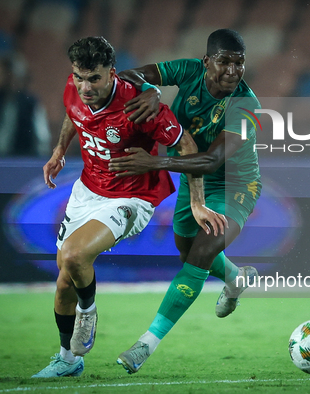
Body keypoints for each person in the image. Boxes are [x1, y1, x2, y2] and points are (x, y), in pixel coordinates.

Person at [32, 36, 226, 378]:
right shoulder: (73, 88)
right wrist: (59, 151)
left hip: (130, 198)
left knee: (75, 256)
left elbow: (187, 145)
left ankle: (88, 314)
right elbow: (73, 115)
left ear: (112, 73)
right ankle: (68, 359)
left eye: (94, 78)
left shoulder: (141, 107)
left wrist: (197, 203)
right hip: (87, 191)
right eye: (79, 77)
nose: (85, 86)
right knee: (64, 280)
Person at [110, 28, 262, 374]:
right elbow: (127, 78)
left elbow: (212, 161)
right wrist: (149, 91)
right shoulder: (187, 71)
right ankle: (236, 278)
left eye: (239, 64)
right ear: (207, 61)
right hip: (194, 176)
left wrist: (156, 162)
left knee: (202, 253)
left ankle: (146, 343)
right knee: (186, 251)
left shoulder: (247, 104)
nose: (232, 72)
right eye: (224, 62)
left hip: (236, 185)